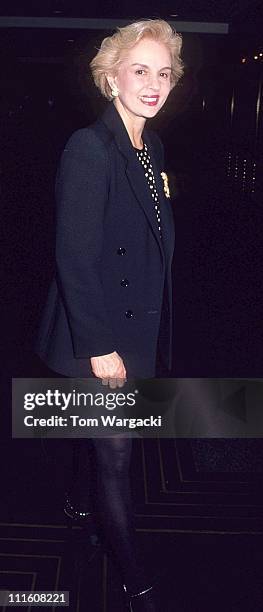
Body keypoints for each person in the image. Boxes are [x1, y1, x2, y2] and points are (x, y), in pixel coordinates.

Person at [36, 19, 184, 611]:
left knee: (99, 443)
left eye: (164, 73)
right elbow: (73, 256)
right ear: (111, 77)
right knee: (118, 456)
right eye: (140, 70)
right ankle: (134, 577)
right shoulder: (89, 148)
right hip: (96, 331)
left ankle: (78, 503)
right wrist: (100, 346)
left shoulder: (152, 151)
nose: (153, 84)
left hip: (134, 323)